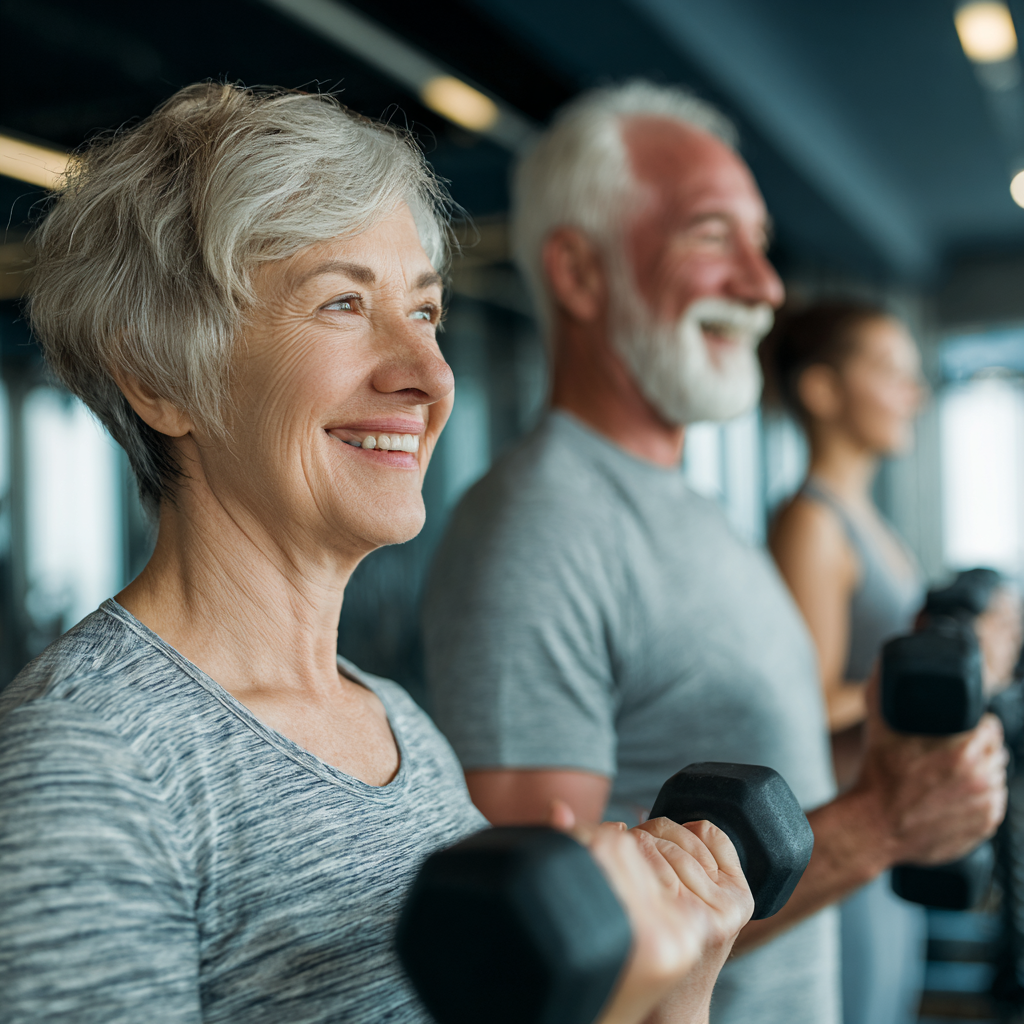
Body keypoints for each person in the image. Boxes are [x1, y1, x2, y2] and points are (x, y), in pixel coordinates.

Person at [0, 83, 755, 1024]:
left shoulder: (405, 732)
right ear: (158, 376)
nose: (428, 376)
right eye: (344, 302)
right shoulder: (88, 765)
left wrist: (680, 983)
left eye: (427, 313)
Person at [421, 81, 1008, 1024]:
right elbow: (543, 953)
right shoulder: (538, 530)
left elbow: (778, 773)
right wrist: (882, 824)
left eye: (761, 244)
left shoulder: (695, 509)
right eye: (709, 236)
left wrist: (893, 761)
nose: (764, 285)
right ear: (579, 273)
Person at [764, 302, 929, 1024]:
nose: (912, 393)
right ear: (823, 390)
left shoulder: (865, 518)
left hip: (890, 816)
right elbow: (807, 704)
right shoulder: (812, 523)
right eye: (891, 372)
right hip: (840, 814)